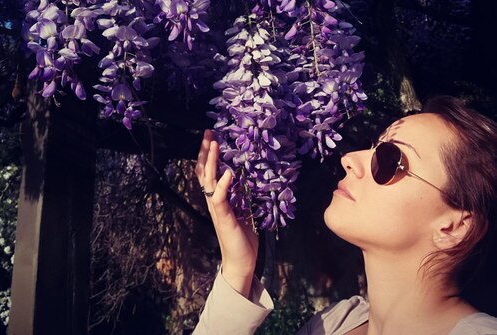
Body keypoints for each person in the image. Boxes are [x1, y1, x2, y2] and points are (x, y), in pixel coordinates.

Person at [192, 96, 497, 334]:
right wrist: (238, 268)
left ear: (454, 227)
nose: (349, 158)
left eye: (389, 159)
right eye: (374, 146)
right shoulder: (334, 324)